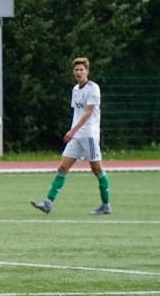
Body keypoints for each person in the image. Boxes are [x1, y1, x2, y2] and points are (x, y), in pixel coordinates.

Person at [31, 57, 112, 215]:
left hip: (88, 135)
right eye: (76, 70)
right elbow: (78, 112)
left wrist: (72, 130)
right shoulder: (75, 89)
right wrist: (74, 132)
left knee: (97, 169)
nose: (79, 72)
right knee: (62, 167)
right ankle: (48, 202)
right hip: (76, 136)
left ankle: (106, 205)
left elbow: (88, 113)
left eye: (82, 69)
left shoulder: (93, 88)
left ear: (87, 71)